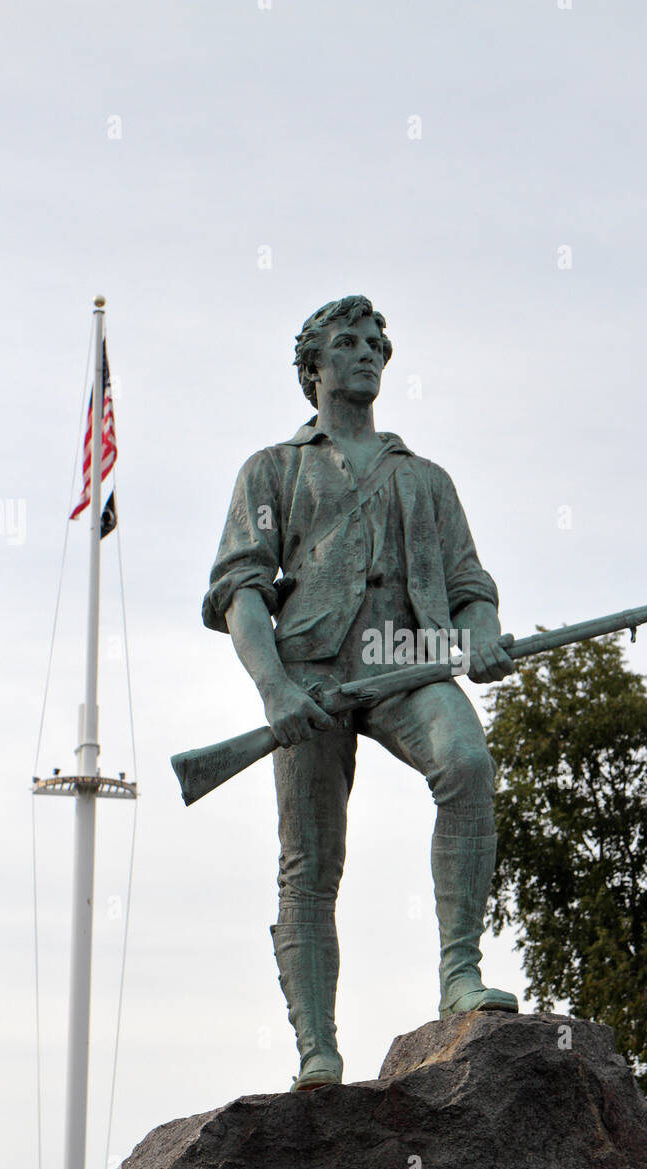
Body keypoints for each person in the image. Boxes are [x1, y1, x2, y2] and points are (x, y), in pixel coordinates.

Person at [202, 295, 518, 1091]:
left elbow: (471, 585)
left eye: (377, 341)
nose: (367, 352)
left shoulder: (426, 479)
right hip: (309, 676)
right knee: (310, 864)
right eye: (347, 342)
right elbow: (241, 589)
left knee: (469, 764)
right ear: (311, 368)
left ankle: (459, 975)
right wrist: (273, 688)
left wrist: (479, 631)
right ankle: (317, 1046)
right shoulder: (273, 470)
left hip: (406, 660)